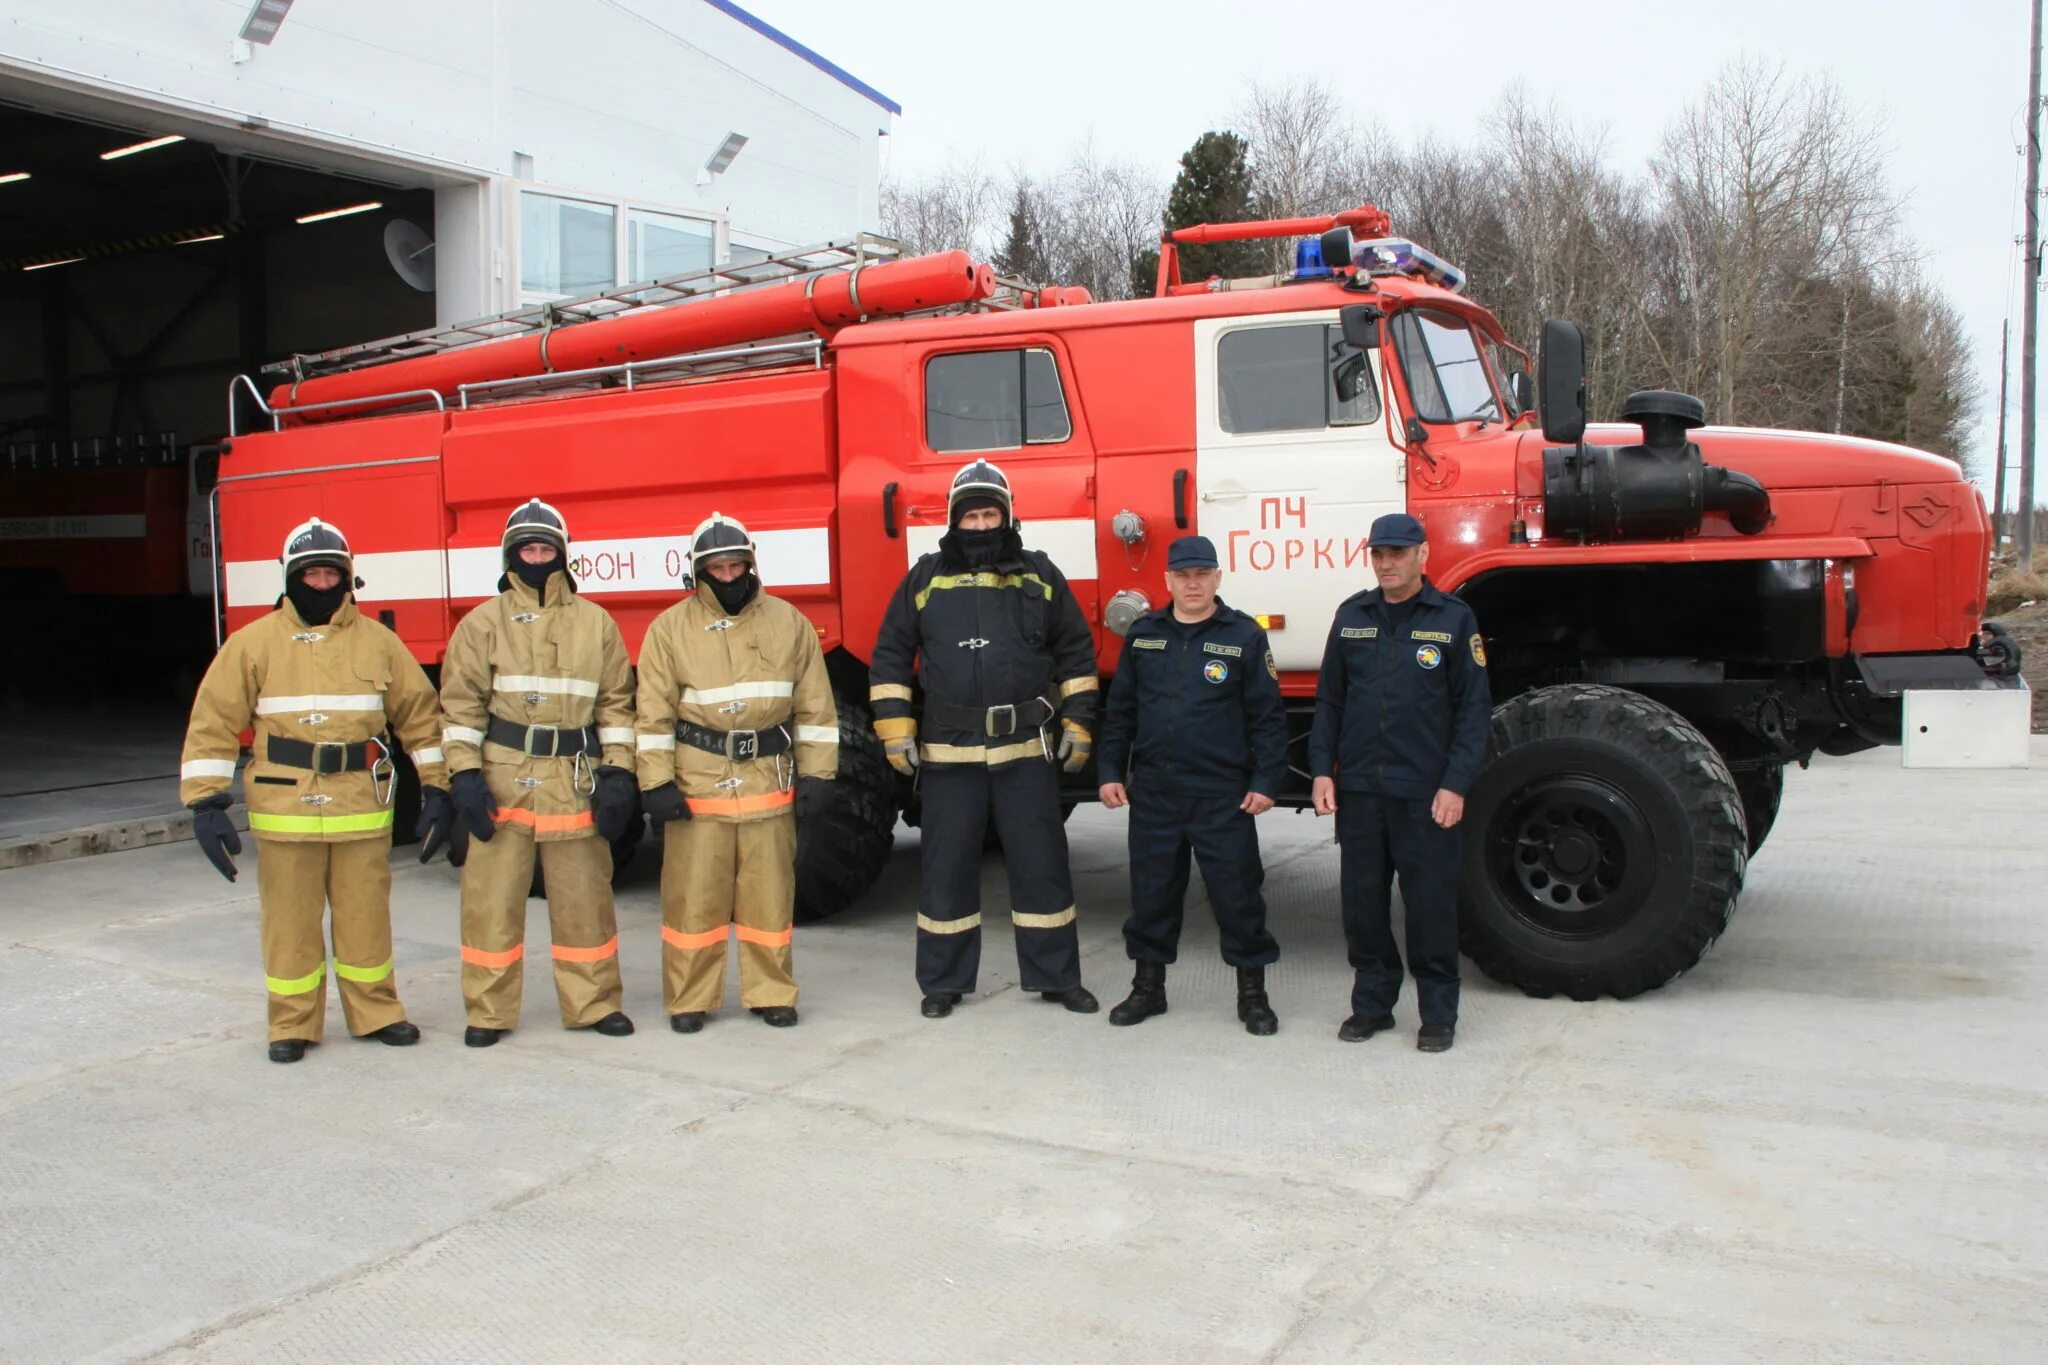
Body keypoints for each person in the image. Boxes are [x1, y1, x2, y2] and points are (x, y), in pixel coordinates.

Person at [180, 517, 451, 1063]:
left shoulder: (381, 643)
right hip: (284, 809)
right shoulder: (251, 644)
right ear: (290, 578)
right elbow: (213, 721)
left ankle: (376, 1012)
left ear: (349, 578)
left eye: (332, 573)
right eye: (311, 574)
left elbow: (421, 718)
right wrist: (207, 801)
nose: (322, 583)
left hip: (360, 807)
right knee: (289, 925)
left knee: (365, 919)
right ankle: (291, 1024)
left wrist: (438, 788)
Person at [869, 459, 1100, 1019]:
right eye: (970, 515)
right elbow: (890, 657)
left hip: (1026, 752)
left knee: (1042, 866)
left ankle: (1056, 977)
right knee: (946, 871)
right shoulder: (923, 580)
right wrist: (897, 732)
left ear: (1008, 515)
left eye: (989, 513)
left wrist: (1079, 722)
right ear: (954, 519)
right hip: (950, 755)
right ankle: (943, 982)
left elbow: (1076, 654)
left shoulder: (1041, 575)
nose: (980, 524)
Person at [440, 498, 637, 1047]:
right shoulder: (481, 625)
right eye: (527, 548)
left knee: (585, 902)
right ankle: (488, 1011)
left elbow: (617, 705)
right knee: (491, 904)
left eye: (545, 548)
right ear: (510, 555)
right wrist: (463, 776)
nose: (536, 557)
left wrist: (620, 774)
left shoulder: (595, 623)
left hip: (575, 778)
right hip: (502, 778)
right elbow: (460, 709)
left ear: (562, 554)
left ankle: (593, 1004)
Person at [634, 512, 837, 1032]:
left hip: (769, 780)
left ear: (751, 565)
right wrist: (655, 784)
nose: (728, 576)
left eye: (736, 565)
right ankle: (689, 999)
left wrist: (818, 775)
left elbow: (816, 707)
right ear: (698, 572)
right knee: (694, 899)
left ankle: (771, 992)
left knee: (769, 896)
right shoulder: (668, 629)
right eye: (717, 568)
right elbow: (652, 714)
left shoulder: (788, 622)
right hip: (697, 784)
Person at [1309, 512, 1491, 1052]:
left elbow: (1473, 712)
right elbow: (1330, 702)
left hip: (1426, 795)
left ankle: (1437, 1013)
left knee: (1430, 908)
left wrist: (1456, 784)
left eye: (1397, 554)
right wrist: (1322, 770)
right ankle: (1372, 1006)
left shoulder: (1453, 620)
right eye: (1379, 554)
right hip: (1362, 793)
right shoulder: (1352, 616)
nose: (1387, 564)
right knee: (1362, 908)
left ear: (1422, 555)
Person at [1096, 534, 1289, 1034]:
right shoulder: (1144, 635)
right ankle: (1148, 989)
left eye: (1202, 574)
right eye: (1183, 575)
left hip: (1221, 795)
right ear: (1167, 581)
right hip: (1156, 793)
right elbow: (1120, 715)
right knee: (1152, 896)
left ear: (1218, 578)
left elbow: (1268, 717)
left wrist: (1266, 781)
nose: (1193, 584)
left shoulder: (1244, 635)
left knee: (1238, 896)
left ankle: (1253, 995)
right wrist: (1111, 772)